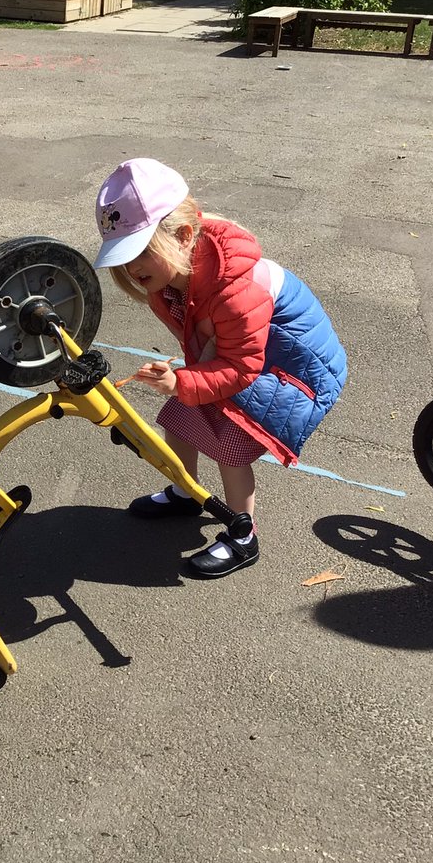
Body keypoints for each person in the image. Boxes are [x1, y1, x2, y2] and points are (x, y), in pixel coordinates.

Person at [93, 158, 347, 578]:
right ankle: (187, 492)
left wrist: (183, 379)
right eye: (122, 256)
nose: (130, 270)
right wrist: (185, 380)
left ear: (183, 236)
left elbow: (241, 367)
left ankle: (243, 536)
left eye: (139, 253)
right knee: (179, 414)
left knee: (230, 441)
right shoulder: (172, 274)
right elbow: (212, 345)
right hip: (243, 351)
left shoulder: (234, 291)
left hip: (296, 369)